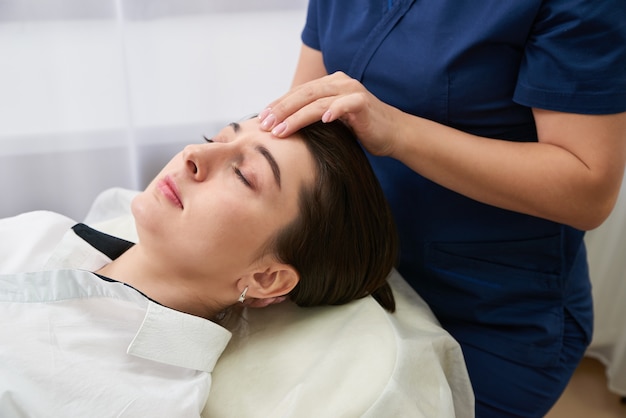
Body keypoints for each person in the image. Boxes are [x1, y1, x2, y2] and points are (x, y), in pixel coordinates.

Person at [257, 1, 626, 416]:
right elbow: (305, 116)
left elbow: (588, 190)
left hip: (493, 310)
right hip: (359, 274)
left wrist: (398, 132)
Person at [0, 117, 398, 417]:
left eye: (243, 175)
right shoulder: (39, 231)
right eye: (218, 138)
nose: (194, 154)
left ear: (266, 278)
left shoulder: (146, 400)